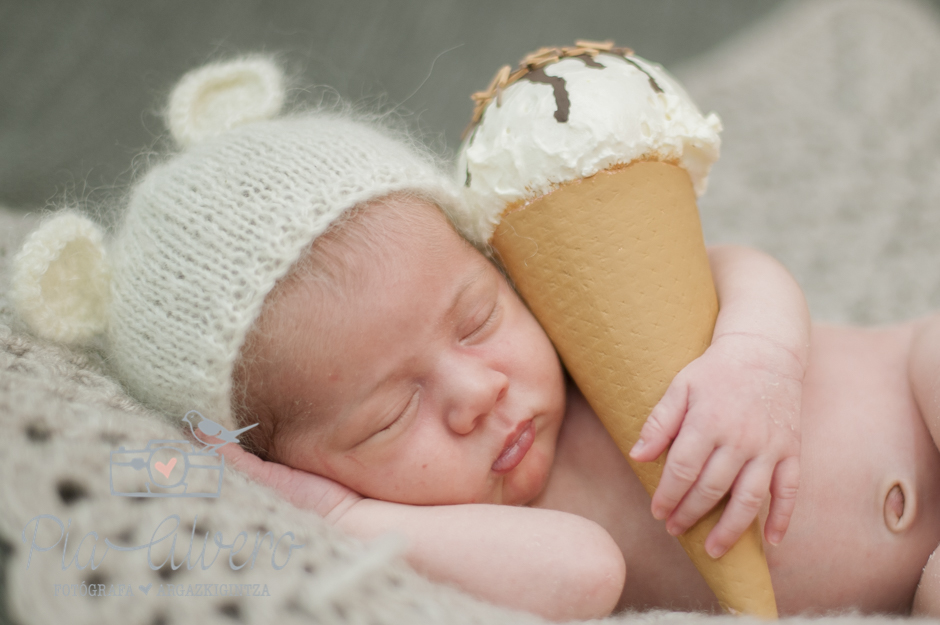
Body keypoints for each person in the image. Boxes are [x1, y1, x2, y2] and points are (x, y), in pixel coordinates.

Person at [12, 57, 940, 620]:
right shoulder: (487, 524)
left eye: (478, 318)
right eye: (389, 416)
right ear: (301, 463)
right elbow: (584, 574)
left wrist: (759, 358)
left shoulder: (587, 324)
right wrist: (336, 518)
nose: (475, 391)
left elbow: (738, 265)